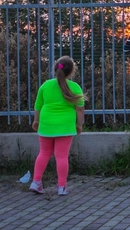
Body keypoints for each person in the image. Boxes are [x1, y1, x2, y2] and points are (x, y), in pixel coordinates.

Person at [30, 56, 85, 196]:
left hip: (46, 124)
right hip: (65, 126)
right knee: (61, 156)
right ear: (71, 71)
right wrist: (79, 125)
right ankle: (62, 187)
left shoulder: (46, 85)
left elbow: (38, 105)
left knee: (44, 153)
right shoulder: (75, 87)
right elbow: (80, 109)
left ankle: (36, 182)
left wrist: (36, 121)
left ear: (55, 69)